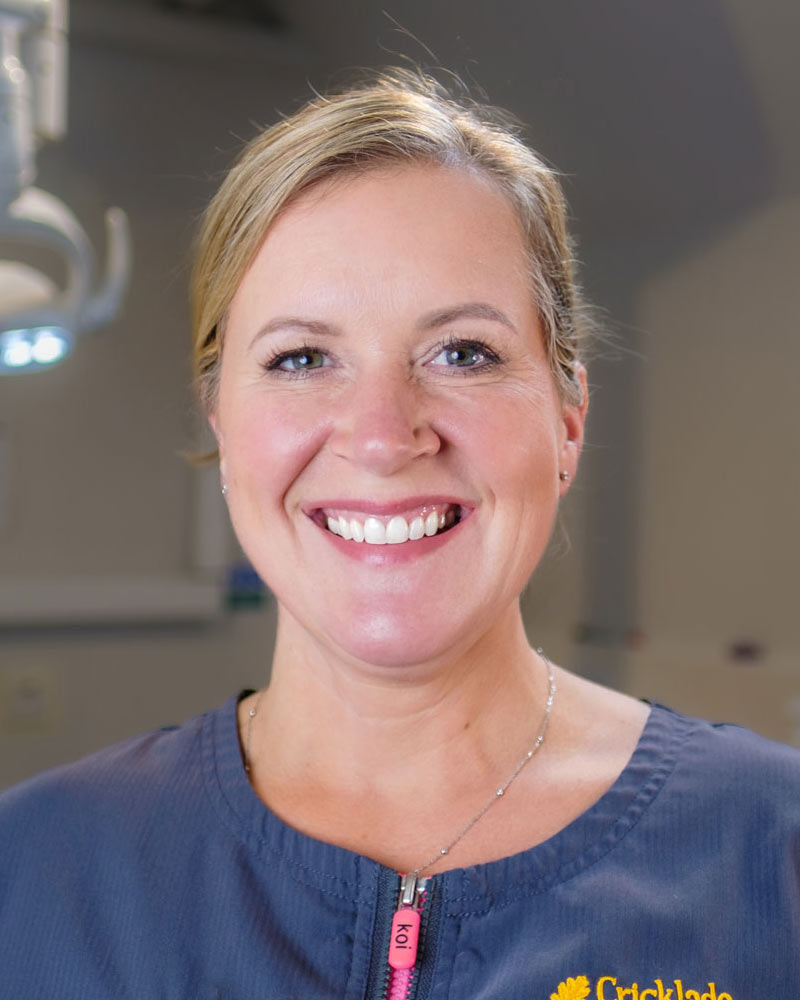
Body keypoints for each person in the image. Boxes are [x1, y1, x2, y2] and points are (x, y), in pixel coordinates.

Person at [1, 68, 798, 999]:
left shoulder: (770, 854)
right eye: (301, 358)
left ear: (569, 418)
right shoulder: (34, 874)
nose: (382, 437)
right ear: (221, 423)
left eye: (463, 353)